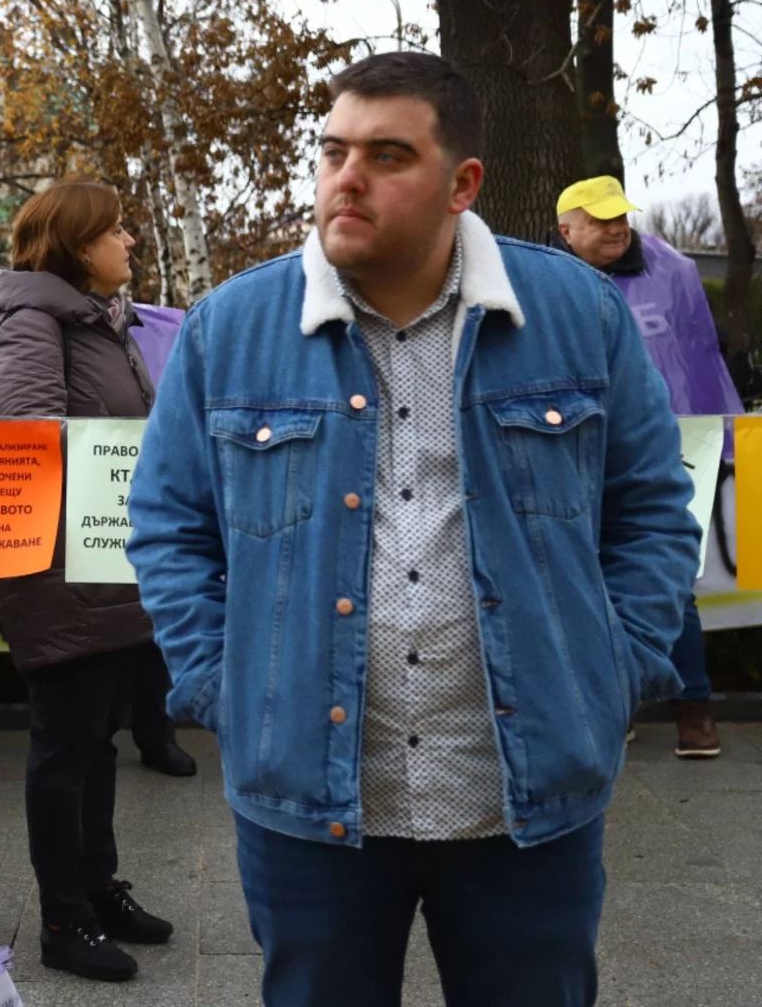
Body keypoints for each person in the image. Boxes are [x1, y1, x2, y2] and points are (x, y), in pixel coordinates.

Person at [130, 52, 700, 1007]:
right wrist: (223, 686)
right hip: (308, 804)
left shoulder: (576, 315)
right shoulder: (229, 329)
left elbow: (650, 509)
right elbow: (167, 526)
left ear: (461, 184)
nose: (345, 178)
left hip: (529, 801)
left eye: (387, 155)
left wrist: (616, 666)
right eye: (332, 151)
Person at [0, 181, 180, 984]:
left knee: (97, 745)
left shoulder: (99, 321)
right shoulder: (34, 324)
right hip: (61, 571)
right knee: (66, 750)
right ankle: (63, 920)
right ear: (75, 244)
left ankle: (98, 889)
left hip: (109, 565)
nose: (128, 240)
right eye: (115, 230)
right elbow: (29, 444)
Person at [552, 175, 739, 759]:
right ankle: (617, 703)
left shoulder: (669, 273)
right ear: (566, 230)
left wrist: (721, 436)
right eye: (601, 218)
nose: (616, 227)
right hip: (572, 447)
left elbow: (699, 357)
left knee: (669, 573)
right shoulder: (543, 284)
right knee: (579, 575)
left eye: (620, 217)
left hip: (664, 446)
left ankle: (694, 710)